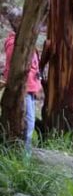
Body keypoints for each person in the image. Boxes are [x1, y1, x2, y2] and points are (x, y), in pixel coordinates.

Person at [3, 8, 43, 152]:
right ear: (16, 22)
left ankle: (24, 155)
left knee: (29, 124)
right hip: (22, 90)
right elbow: (17, 69)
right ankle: (23, 159)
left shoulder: (26, 41)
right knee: (27, 124)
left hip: (29, 90)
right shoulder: (15, 44)